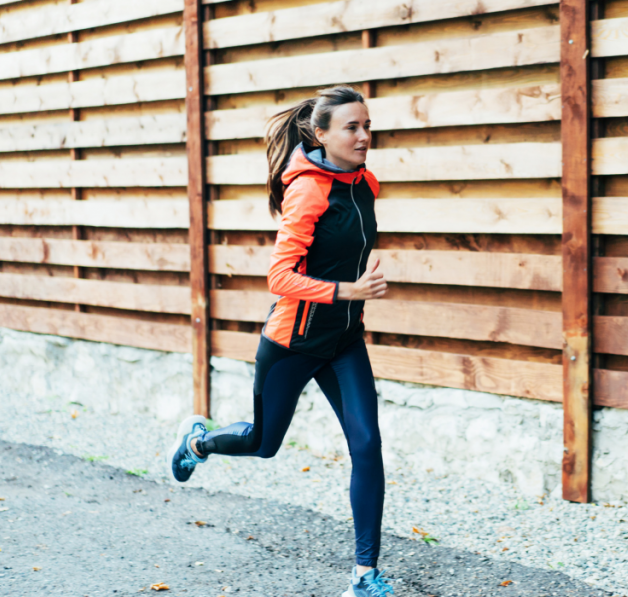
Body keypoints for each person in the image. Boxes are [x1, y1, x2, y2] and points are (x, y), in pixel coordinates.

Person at [165, 85, 393, 597]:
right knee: (263, 444)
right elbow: (279, 277)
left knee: (368, 445)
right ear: (322, 134)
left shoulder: (365, 183)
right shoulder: (307, 189)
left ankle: (365, 575)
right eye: (352, 127)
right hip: (292, 343)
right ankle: (197, 442)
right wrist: (348, 289)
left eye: (367, 126)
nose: (363, 136)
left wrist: (356, 291)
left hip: (343, 341)